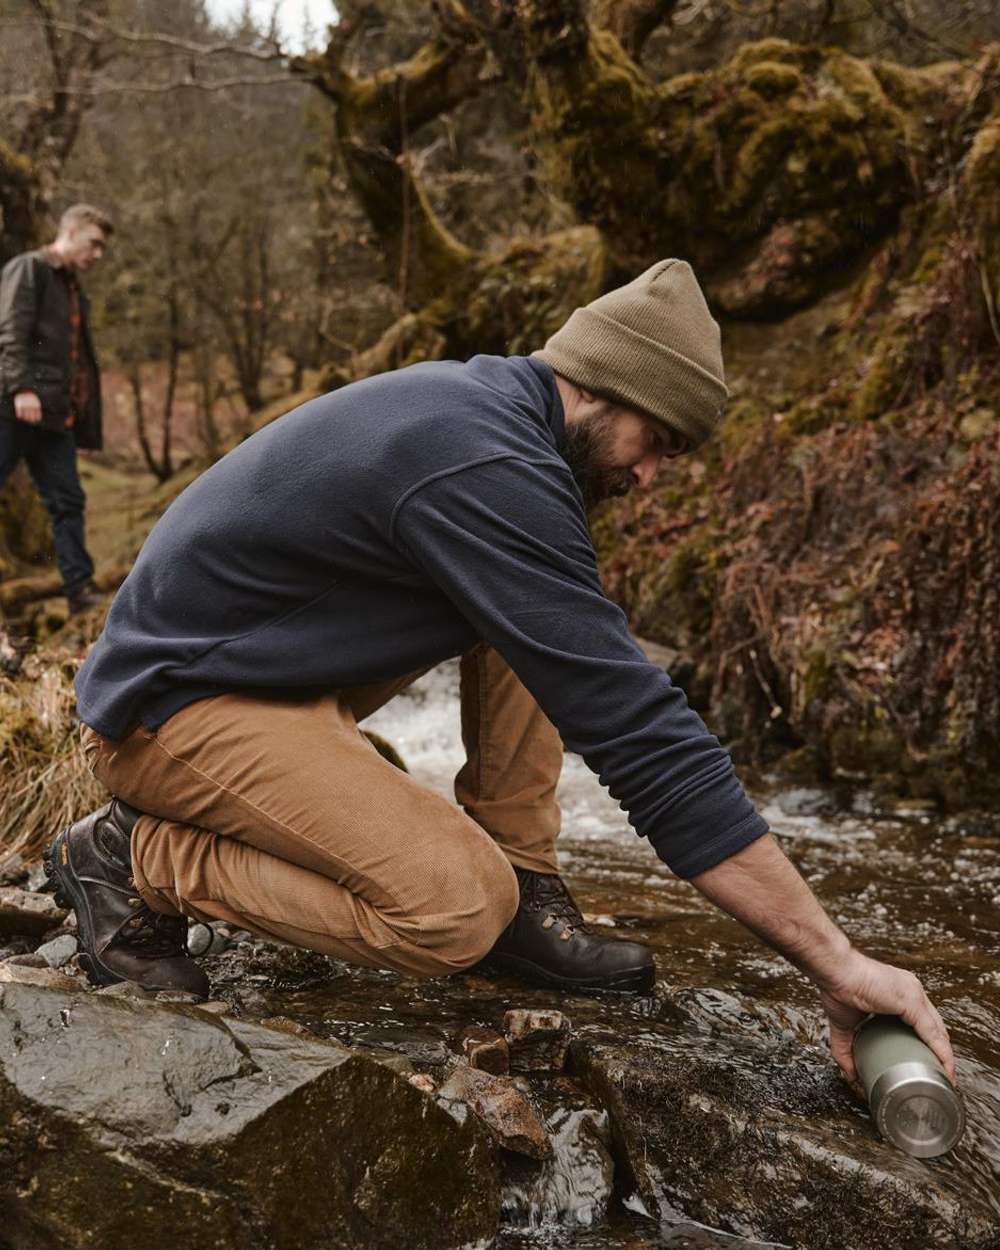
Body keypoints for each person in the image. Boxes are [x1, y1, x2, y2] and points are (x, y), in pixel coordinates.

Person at [47, 260, 955, 1089]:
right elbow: (644, 741)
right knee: (451, 909)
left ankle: (527, 888)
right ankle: (131, 857)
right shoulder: (483, 462)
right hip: (165, 713)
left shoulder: (497, 424)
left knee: (549, 617)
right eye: (659, 440)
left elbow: (582, 656)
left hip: (263, 676)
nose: (650, 474)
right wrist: (836, 962)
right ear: (614, 386)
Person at [0, 203, 112, 617]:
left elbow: (79, 362)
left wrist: (85, 429)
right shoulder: (29, 268)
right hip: (12, 406)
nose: (98, 255)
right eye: (94, 243)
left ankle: (80, 593)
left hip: (53, 417)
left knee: (69, 501)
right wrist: (22, 388)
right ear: (72, 230)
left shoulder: (73, 290)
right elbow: (10, 330)